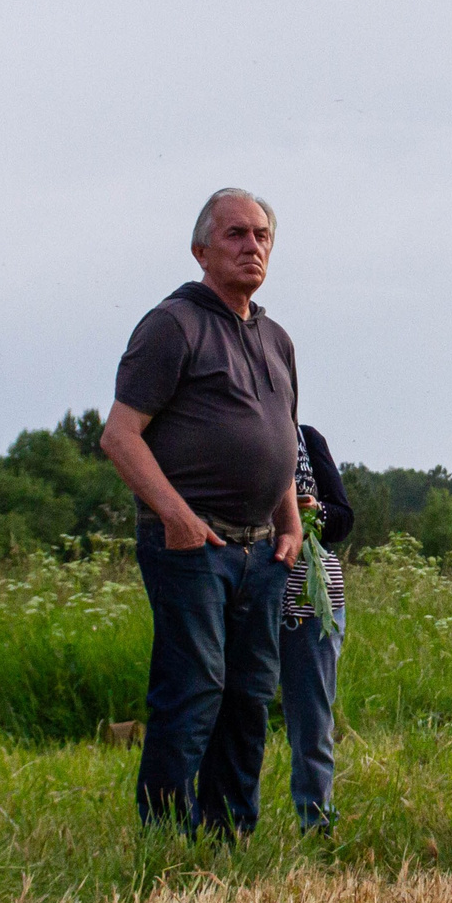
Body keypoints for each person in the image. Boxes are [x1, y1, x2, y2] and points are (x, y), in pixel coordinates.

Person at [102, 189, 304, 834]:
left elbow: (278, 436)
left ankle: (229, 834)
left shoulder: (276, 339)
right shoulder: (173, 325)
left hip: (261, 550)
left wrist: (291, 522)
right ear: (201, 250)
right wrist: (177, 517)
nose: (252, 246)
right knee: (193, 690)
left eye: (262, 235)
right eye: (235, 234)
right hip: (192, 547)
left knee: (249, 695)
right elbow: (120, 436)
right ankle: (166, 833)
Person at [278, 424, 353, 831]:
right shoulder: (233, 432)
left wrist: (314, 512)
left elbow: (343, 518)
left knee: (312, 720)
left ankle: (317, 823)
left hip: (313, 600)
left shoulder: (306, 439)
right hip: (250, 593)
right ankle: (231, 822)